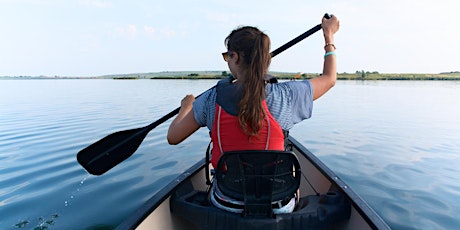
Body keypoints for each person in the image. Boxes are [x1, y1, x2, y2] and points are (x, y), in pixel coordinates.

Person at [167, 15, 340, 213]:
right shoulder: (286, 95)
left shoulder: (210, 99)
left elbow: (173, 136)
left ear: (236, 57)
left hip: (226, 202)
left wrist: (186, 107)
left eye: (227, 56)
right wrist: (329, 37)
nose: (227, 61)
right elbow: (329, 79)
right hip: (279, 206)